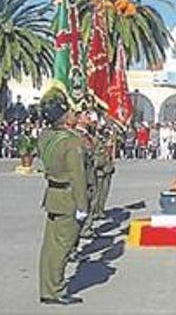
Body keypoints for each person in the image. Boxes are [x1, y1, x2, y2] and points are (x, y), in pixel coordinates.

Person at [38, 100, 88, 305]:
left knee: (49, 246)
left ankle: (46, 287)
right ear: (65, 118)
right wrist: (82, 206)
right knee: (62, 247)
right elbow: (78, 176)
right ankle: (55, 290)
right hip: (68, 198)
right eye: (69, 112)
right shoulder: (71, 142)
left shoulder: (45, 137)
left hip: (52, 196)